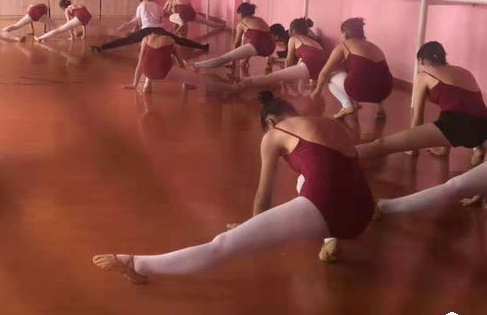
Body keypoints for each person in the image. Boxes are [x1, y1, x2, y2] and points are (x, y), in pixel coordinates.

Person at [92, 92, 374, 283]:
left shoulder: (277, 133)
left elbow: (264, 194)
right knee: (305, 180)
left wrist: (252, 230)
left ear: (270, 122)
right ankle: (330, 239)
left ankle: (135, 264)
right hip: (362, 213)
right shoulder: (327, 124)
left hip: (326, 209)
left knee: (222, 246)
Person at [356, 42, 487, 166]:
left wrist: (412, 147)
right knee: (456, 120)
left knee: (381, 144)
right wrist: (444, 149)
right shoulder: (464, 72)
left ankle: (345, 158)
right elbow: (463, 107)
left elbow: (418, 117)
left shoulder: (424, 76)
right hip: (483, 127)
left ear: (421, 61)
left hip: (457, 127)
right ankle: (478, 148)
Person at [311, 18, 392, 120]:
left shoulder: (344, 46)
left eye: (341, 33)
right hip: (385, 91)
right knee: (375, 75)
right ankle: (379, 108)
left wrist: (317, 91)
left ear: (345, 33)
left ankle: (347, 106)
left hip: (360, 90)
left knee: (330, 78)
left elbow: (324, 73)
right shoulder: (373, 46)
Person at [89, 0, 208, 52]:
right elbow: (160, 21)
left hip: (146, 30)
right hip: (159, 30)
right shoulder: (158, 6)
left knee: (126, 40)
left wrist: (121, 28)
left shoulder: (142, 6)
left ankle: (101, 48)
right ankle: (202, 47)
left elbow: (135, 21)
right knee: (179, 40)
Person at [236, 18, 328, 91]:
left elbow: (289, 60)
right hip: (321, 67)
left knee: (274, 76)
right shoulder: (312, 42)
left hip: (308, 65)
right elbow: (313, 58)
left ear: (291, 30)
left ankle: (243, 81)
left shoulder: (293, 39)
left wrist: (285, 77)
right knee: (309, 87)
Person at [191, 2, 274, 73]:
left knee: (224, 58)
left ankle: (196, 65)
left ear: (240, 13)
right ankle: (270, 59)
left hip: (257, 45)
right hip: (271, 47)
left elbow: (237, 43)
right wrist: (246, 60)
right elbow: (255, 41)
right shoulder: (260, 19)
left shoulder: (242, 23)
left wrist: (232, 61)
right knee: (252, 45)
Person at [124, 34, 198, 93]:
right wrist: (187, 83)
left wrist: (134, 84)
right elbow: (181, 63)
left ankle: (148, 81)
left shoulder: (146, 39)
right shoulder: (171, 40)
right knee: (178, 68)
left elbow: (140, 63)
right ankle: (185, 85)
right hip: (165, 73)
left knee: (150, 63)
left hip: (148, 72)